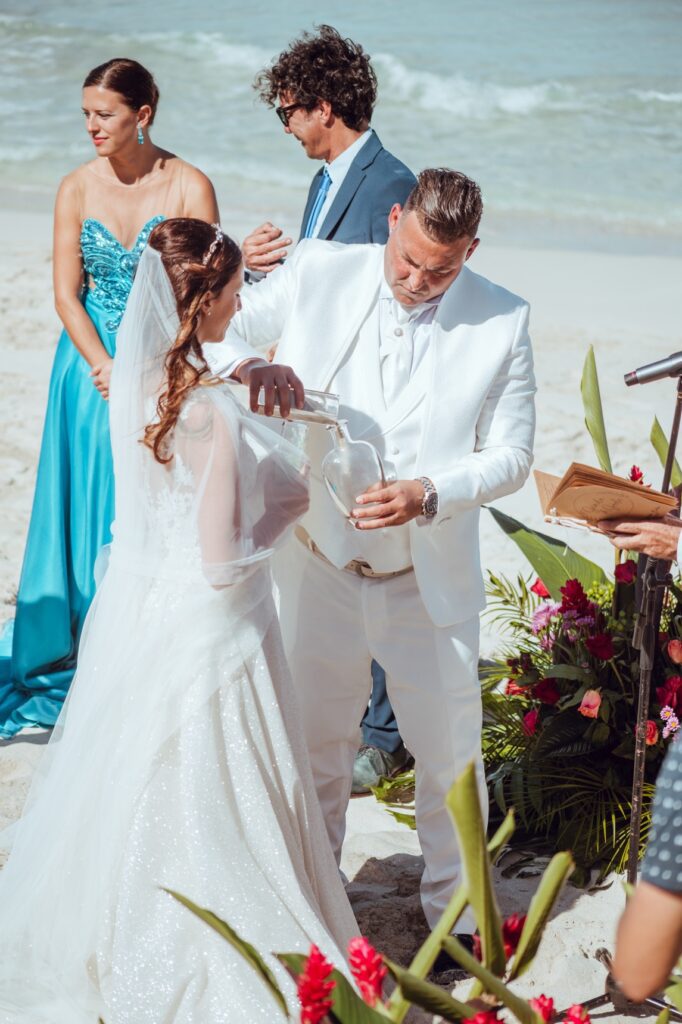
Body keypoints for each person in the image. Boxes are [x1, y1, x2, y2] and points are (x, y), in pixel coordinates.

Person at [0, 220, 357, 1023]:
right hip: (213, 620)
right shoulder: (210, 415)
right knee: (213, 787)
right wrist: (290, 504)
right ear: (201, 301)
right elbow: (223, 562)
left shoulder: (142, 386)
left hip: (142, 607)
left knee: (136, 780)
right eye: (235, 289)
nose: (244, 300)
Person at [207, 168, 537, 933]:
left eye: (442, 269)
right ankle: (312, 906)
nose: (419, 281)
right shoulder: (321, 267)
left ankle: (457, 922)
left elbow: (514, 454)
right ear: (394, 220)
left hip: (427, 577)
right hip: (317, 562)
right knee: (316, 747)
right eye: (409, 260)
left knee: (448, 755)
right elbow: (217, 326)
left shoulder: (504, 319)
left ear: (472, 251)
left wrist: (430, 492)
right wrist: (252, 365)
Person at [0, 58, 219, 738]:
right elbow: (67, 293)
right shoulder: (75, 187)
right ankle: (69, 657)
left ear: (143, 115)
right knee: (87, 500)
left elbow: (203, 292)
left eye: (106, 114)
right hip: (87, 368)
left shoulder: (189, 183)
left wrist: (152, 368)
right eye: (86, 114)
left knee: (145, 502)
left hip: (161, 367)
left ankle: (130, 653)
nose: (92, 126)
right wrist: (103, 365)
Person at [243, 23, 418, 792]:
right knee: (333, 553)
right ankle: (350, 715)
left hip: (369, 401)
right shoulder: (328, 178)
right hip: (320, 396)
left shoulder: (388, 183)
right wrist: (260, 271)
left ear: (322, 106)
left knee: (372, 550)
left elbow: (398, 299)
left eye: (288, 112)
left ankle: (384, 733)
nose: (285, 127)